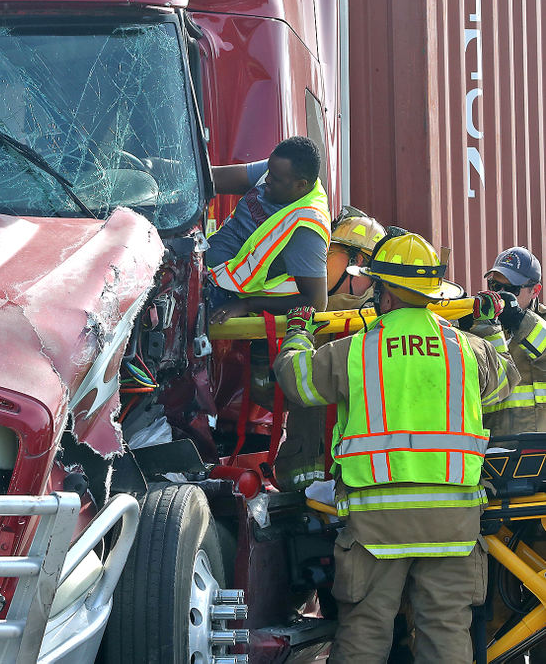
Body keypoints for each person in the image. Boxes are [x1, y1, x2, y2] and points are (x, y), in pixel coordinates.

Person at [271, 232, 518, 663]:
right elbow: (504, 382)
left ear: (384, 295)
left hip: (377, 525)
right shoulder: (467, 350)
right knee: (445, 633)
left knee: (366, 631)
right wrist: (489, 326)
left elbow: (297, 381)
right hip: (452, 526)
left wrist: (297, 333)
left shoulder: (356, 352)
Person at [274, 208, 387, 491]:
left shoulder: (378, 325)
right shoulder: (312, 315)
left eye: (328, 254)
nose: (318, 263)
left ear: (358, 262)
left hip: (354, 487)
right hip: (305, 485)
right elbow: (272, 397)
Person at [207, 136, 331, 324]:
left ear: (301, 185)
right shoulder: (278, 171)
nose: (267, 179)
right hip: (201, 265)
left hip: (225, 296)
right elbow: (211, 178)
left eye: (275, 178)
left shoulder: (307, 228)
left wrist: (247, 305)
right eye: (269, 171)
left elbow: (316, 302)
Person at [471, 246, 546, 434]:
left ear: (535, 290)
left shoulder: (540, 323)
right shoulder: (479, 326)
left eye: (511, 289)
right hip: (496, 450)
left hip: (540, 448)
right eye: (495, 286)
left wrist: (520, 320)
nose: (501, 294)